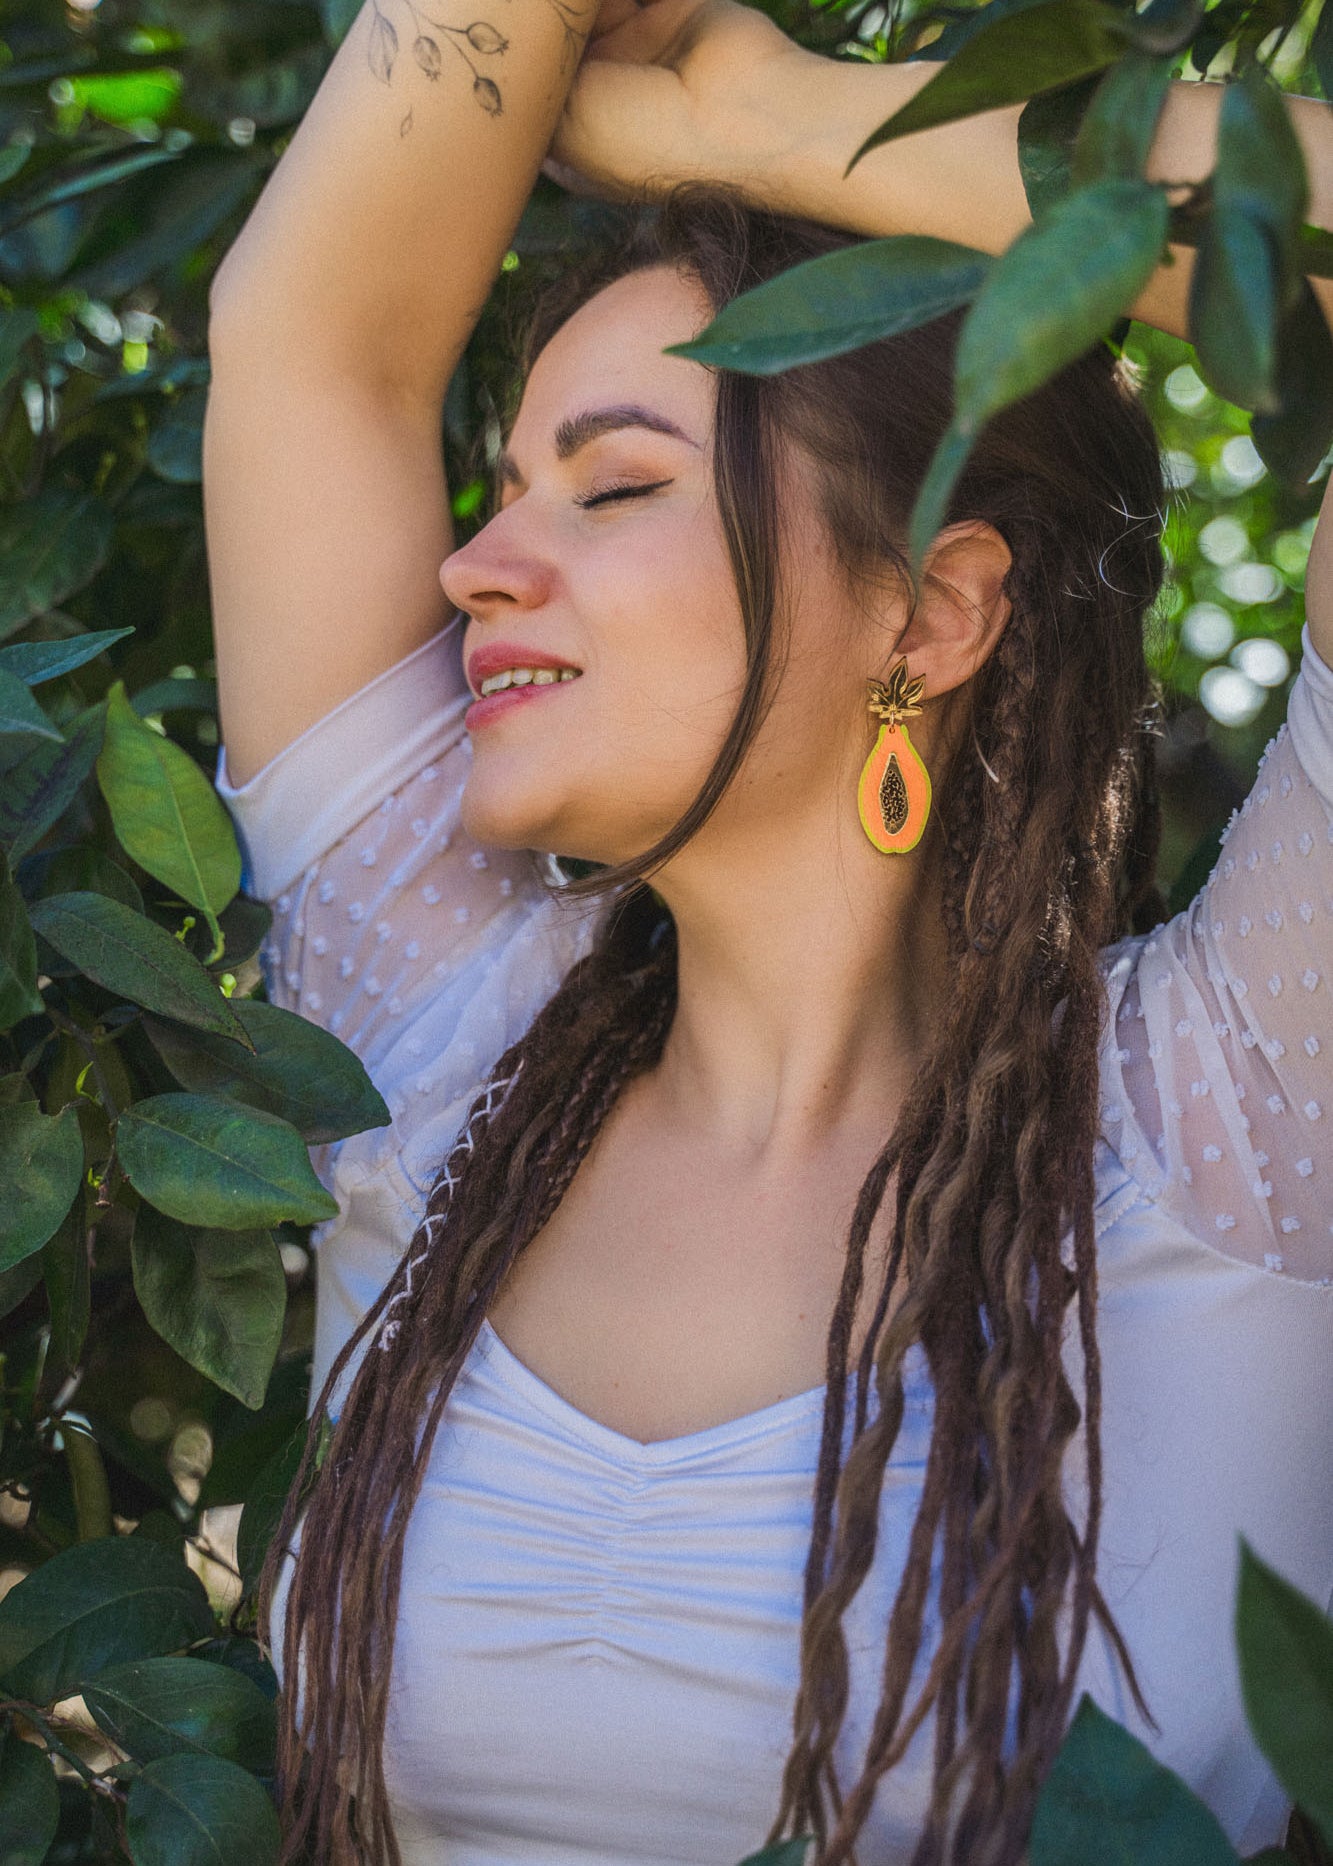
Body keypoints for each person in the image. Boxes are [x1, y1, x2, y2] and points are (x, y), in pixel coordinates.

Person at [201, 0, 1333, 1860]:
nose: (478, 563)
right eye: (503, 486)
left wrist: (768, 120)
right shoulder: (438, 1052)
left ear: (931, 613)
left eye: (617, 483)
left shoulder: (1221, 1129)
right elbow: (310, 348)